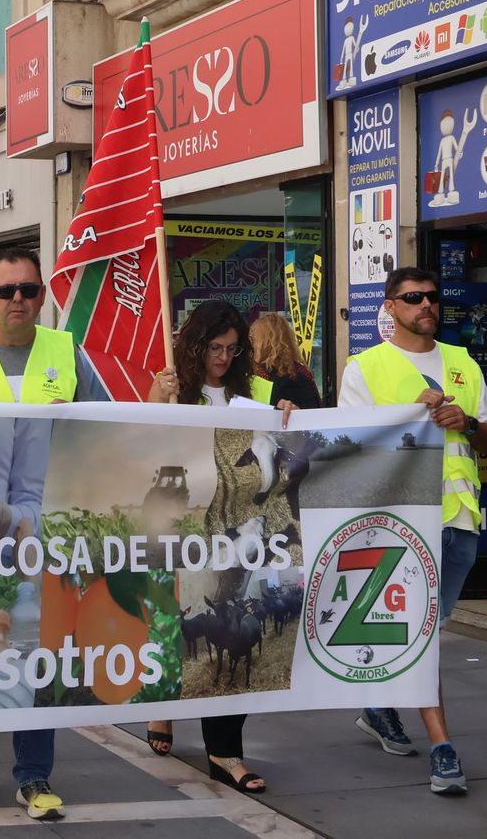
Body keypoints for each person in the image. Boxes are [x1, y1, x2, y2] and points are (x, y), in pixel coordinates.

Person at [0, 248, 108, 822]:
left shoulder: (67, 351)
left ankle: (33, 776)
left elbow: (105, 424)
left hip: (43, 526)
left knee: (36, 649)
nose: (18, 301)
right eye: (7, 291)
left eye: (29, 290)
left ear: (42, 296)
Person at [340, 267, 487, 795]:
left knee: (428, 628)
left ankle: (378, 701)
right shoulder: (365, 369)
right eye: (413, 298)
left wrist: (468, 423)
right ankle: (443, 747)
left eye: (432, 297)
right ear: (390, 306)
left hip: (459, 524)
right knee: (424, 634)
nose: (425, 305)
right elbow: (352, 449)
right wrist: (413, 412)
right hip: (403, 524)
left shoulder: (462, 363)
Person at [146, 300, 273, 793]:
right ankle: (167, 707)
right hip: (188, 534)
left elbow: (276, 446)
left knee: (234, 625)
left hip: (242, 533)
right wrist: (159, 400)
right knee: (182, 622)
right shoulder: (175, 389)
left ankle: (225, 749)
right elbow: (146, 444)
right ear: (195, 346)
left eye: (232, 350)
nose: (222, 359)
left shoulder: (256, 389)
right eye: (214, 348)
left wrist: (284, 413)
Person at [249, 313, 321, 414]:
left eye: (253, 339)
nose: (251, 344)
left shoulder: (266, 375)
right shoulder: (299, 371)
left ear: (265, 343)